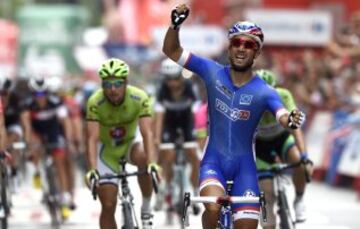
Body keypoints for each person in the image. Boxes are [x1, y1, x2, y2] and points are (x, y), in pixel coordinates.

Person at [162, 4, 306, 229]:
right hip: (213, 163)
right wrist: (175, 25)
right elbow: (172, 51)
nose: (241, 48)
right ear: (228, 47)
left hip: (245, 169)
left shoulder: (264, 90)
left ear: (257, 52)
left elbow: (281, 114)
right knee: (212, 206)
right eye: (236, 43)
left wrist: (290, 119)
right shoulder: (212, 71)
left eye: (248, 45)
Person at [84, 58, 158, 229]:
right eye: (108, 85)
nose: (113, 89)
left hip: (129, 145)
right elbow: (92, 138)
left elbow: (147, 133)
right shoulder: (95, 102)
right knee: (108, 205)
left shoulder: (139, 97)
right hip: (106, 151)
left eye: (117, 84)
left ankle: (146, 207)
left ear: (126, 82)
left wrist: (152, 163)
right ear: (102, 85)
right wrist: (92, 169)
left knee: (144, 157)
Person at [255, 69, 313, 228]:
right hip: (260, 146)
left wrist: (304, 156)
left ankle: (299, 199)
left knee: (298, 162)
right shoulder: (250, 100)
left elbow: (295, 127)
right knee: (266, 194)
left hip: (282, 139)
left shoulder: (284, 95)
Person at [21, 76, 74, 218]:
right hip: (36, 131)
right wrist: (28, 144)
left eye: (43, 94)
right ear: (32, 94)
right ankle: (37, 171)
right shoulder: (27, 104)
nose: (40, 97)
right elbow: (26, 126)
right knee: (35, 145)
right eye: (37, 94)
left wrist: (68, 140)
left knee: (60, 161)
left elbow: (65, 122)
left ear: (47, 93)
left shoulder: (56, 102)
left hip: (53, 131)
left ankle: (63, 196)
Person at [153, 58, 200, 212]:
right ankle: (167, 185)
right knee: (168, 154)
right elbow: (159, 117)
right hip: (169, 123)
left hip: (186, 121)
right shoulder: (161, 90)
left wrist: (199, 136)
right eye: (168, 79)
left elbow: (197, 114)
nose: (172, 83)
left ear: (181, 76)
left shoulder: (190, 88)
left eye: (175, 78)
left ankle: (194, 191)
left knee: (194, 156)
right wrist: (157, 140)